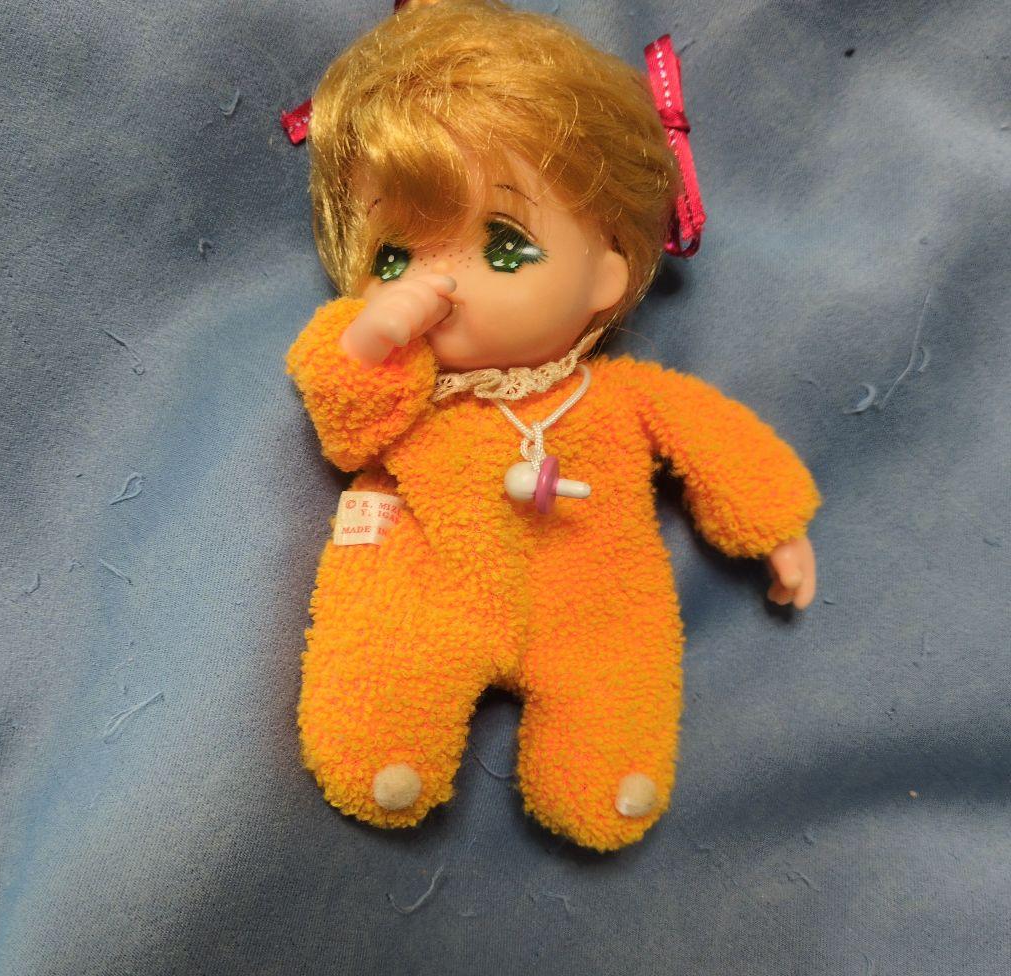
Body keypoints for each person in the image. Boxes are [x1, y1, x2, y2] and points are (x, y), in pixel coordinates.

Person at [285, 0, 820, 852]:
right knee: (389, 642)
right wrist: (371, 337)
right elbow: (346, 426)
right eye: (394, 256)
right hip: (429, 570)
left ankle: (604, 770)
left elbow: (715, 439)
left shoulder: (622, 398)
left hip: (592, 589)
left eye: (504, 247)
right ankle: (380, 741)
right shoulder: (412, 393)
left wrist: (774, 526)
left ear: (608, 271)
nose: (440, 286)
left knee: (615, 664)